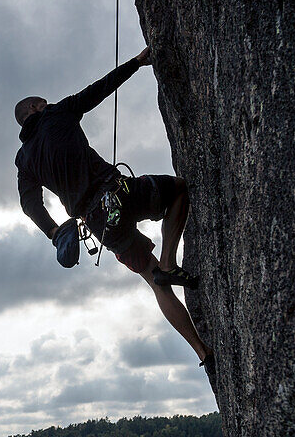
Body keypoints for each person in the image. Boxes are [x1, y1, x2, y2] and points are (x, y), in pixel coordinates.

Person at [14, 47, 214, 367]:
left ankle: (202, 352)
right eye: (44, 102)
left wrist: (54, 231)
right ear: (37, 107)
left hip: (99, 223)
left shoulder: (24, 160)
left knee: (152, 282)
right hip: (118, 194)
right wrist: (136, 63)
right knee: (177, 190)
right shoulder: (56, 114)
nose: (47, 104)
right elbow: (98, 91)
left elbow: (29, 204)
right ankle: (168, 262)